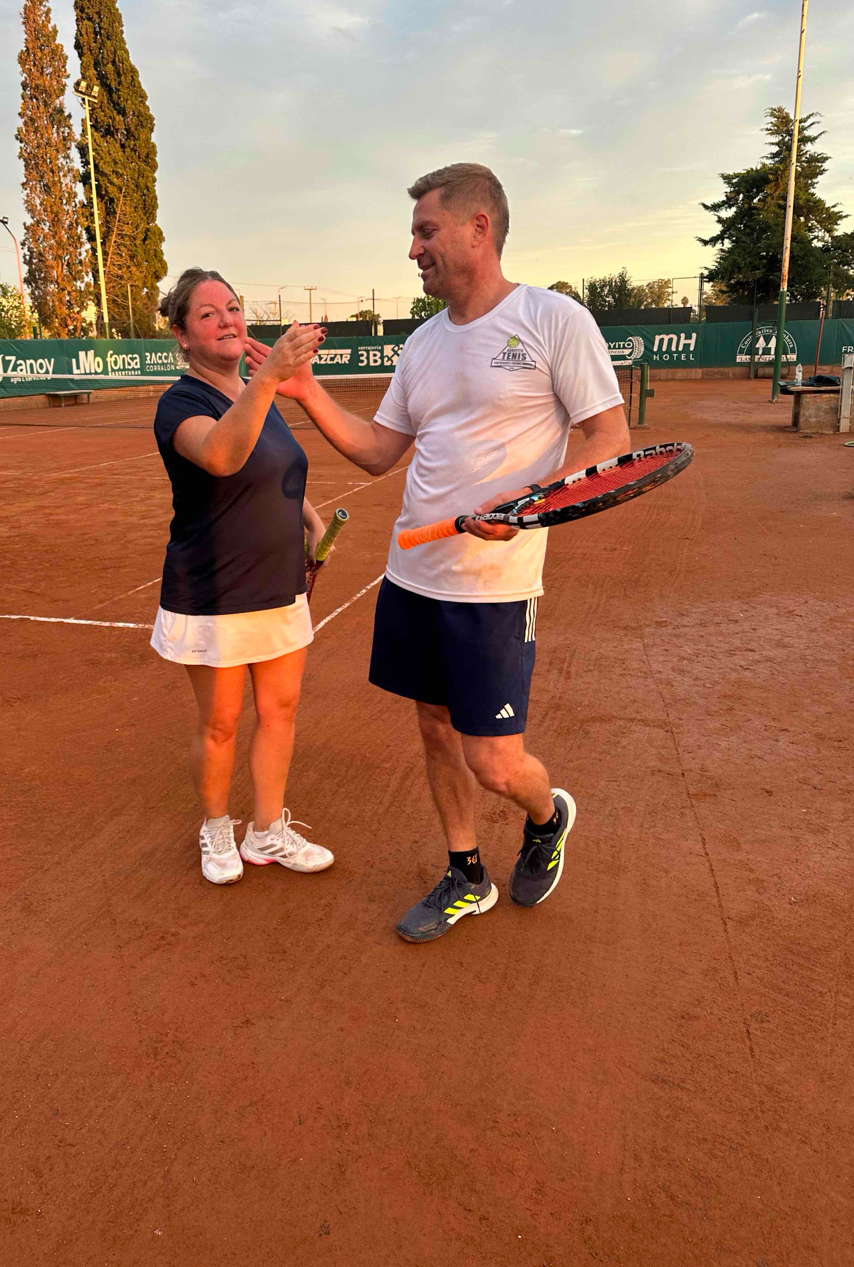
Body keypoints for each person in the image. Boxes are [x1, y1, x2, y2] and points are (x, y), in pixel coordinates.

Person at [244, 164, 629, 941]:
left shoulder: (554, 319)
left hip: (495, 586)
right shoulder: (421, 343)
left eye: (426, 231)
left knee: (495, 761)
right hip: (414, 574)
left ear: (478, 228)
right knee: (433, 725)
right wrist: (308, 391)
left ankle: (547, 816)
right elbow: (379, 450)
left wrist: (525, 507)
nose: (413, 249)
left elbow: (609, 440)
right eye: (414, 234)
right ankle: (466, 871)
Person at [152, 268, 335, 886]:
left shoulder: (260, 396)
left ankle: (267, 831)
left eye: (232, 308)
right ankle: (215, 827)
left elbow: (275, 468)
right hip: (213, 591)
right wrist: (267, 378)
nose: (227, 320)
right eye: (208, 314)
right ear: (182, 335)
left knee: (279, 711)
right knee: (221, 723)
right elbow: (224, 456)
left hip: (276, 583)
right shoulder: (181, 403)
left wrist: (310, 519)